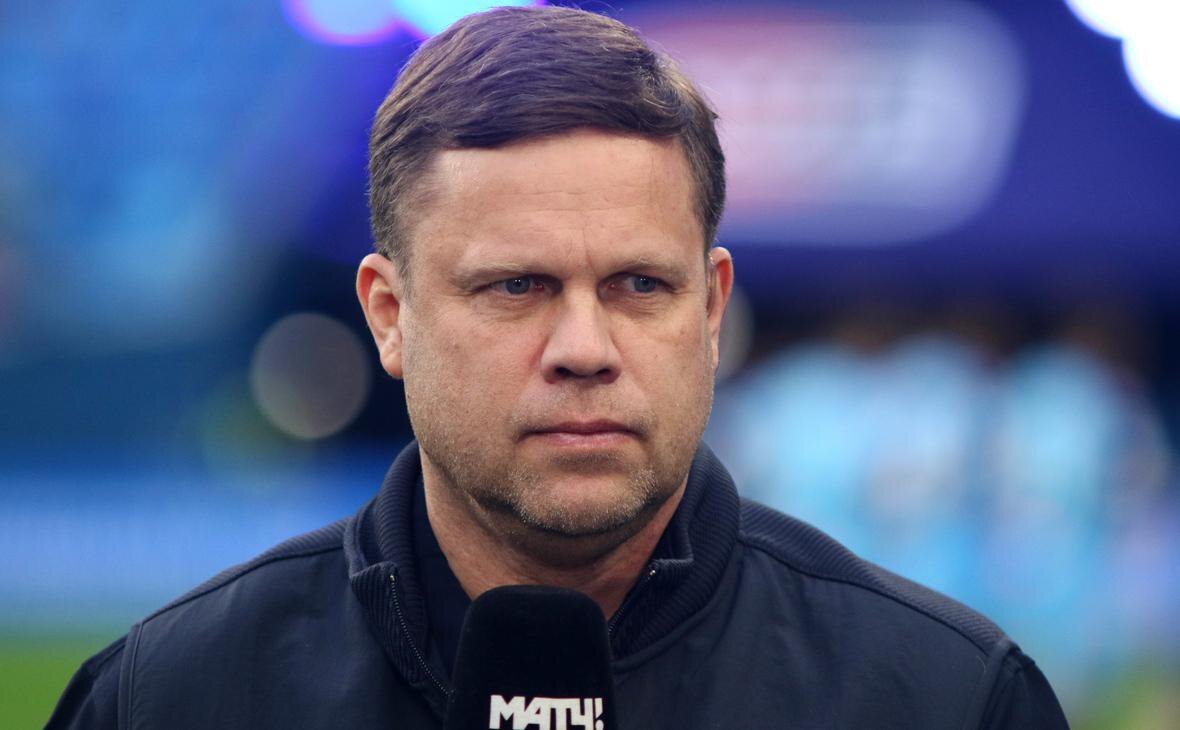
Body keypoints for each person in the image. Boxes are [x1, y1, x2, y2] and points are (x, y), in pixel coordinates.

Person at [49, 6, 1069, 728]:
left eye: (638, 285)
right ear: (389, 317)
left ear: (711, 309)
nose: (585, 350)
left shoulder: (946, 697)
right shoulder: (168, 698)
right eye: (516, 287)